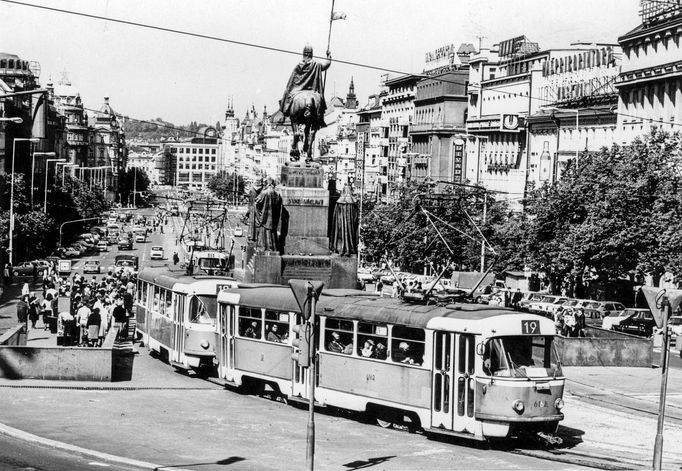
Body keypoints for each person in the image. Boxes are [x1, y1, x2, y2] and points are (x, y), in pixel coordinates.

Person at [279, 44, 331, 127]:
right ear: (311, 54)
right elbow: (326, 65)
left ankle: (283, 114)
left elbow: (291, 83)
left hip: (297, 90)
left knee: (287, 92)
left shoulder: (298, 66)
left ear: (303, 54)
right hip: (312, 91)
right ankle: (321, 118)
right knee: (319, 100)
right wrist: (328, 57)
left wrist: (288, 91)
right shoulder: (316, 65)